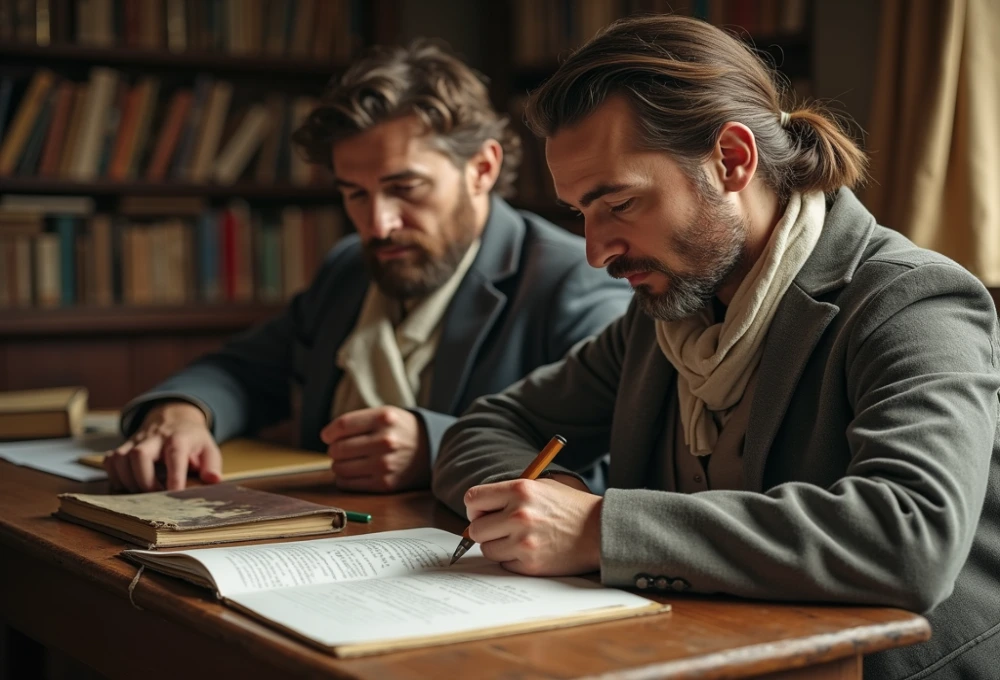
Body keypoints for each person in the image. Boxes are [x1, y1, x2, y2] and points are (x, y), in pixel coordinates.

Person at [431, 15, 1000, 680]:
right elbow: (491, 425)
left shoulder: (913, 300)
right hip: (702, 653)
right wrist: (546, 498)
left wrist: (596, 530)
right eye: (580, 213)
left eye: (617, 203)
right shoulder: (662, 317)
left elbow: (907, 537)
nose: (595, 251)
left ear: (732, 159)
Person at [105, 40, 630, 495]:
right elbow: (241, 371)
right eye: (355, 194)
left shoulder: (576, 283)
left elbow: (617, 468)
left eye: (405, 189)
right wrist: (182, 414)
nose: (377, 225)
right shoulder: (348, 270)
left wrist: (433, 448)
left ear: (482, 168)